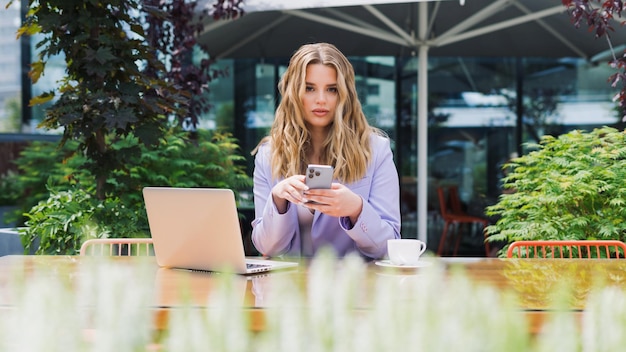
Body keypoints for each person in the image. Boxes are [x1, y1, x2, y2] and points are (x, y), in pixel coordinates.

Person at [250, 42, 401, 260]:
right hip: (289, 288)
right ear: (294, 93)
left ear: (344, 94)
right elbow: (266, 248)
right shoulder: (269, 154)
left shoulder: (376, 150)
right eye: (310, 88)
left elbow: (388, 245)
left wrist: (356, 209)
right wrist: (278, 200)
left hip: (355, 288)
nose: (321, 99)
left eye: (332, 89)